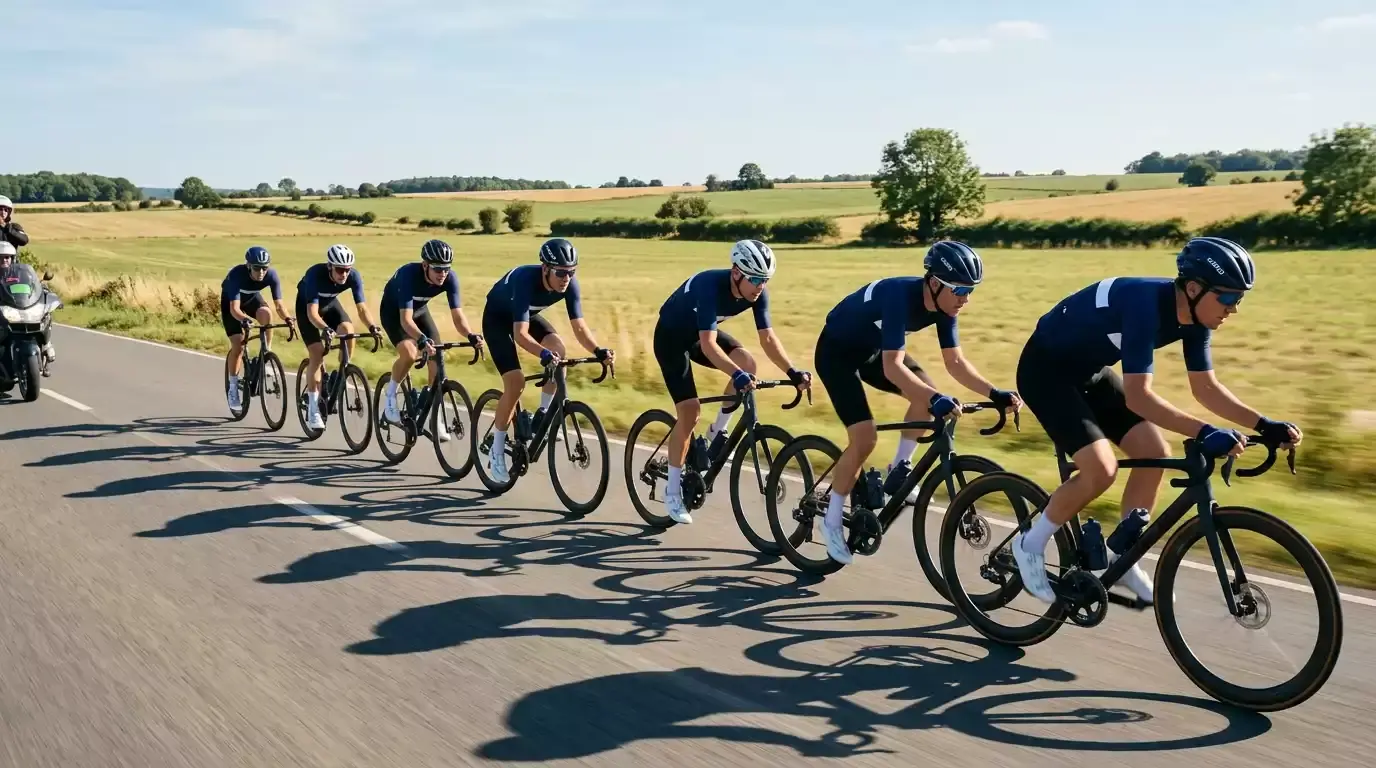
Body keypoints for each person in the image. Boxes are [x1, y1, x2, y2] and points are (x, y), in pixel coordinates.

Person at [1011, 236, 1301, 604]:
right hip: (1045, 372)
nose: (1234, 308)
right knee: (1101, 469)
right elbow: (1139, 396)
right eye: (1227, 297)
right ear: (1194, 288)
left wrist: (1264, 425)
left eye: (1239, 299)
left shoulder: (1197, 319)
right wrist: (1205, 431)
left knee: (1153, 451)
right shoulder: (1145, 306)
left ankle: (1121, 556)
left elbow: (1206, 388)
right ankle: (1030, 545)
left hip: (1091, 371)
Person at [812, 240, 1021, 565]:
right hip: (836, 354)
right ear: (935, 283)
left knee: (927, 393)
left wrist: (994, 393)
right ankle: (832, 520)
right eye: (960, 291)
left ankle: (899, 468)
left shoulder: (944, 306)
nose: (965, 300)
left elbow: (955, 362)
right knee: (865, 437)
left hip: (873, 351)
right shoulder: (900, 297)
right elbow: (892, 367)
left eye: (970, 292)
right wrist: (935, 398)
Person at [652, 239, 812, 524]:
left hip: (699, 337)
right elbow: (709, 344)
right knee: (689, 413)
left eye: (765, 280)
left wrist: (792, 372)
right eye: (755, 279)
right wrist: (734, 374)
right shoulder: (709, 287)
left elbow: (768, 338)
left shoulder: (757, 293)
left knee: (749, 363)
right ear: (736, 273)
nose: (760, 286)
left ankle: (717, 433)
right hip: (671, 340)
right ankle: (672, 491)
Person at [481, 237, 614, 482]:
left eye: (571, 272)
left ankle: (543, 413)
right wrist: (541, 354)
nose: (566, 278)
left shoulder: (570, 285)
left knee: (559, 350)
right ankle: (497, 449)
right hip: (497, 321)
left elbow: (579, 327)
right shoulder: (524, 281)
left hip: (526, 316)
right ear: (545, 268)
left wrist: (598, 351)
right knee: (516, 383)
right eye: (561, 272)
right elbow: (520, 335)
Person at [378, 238, 484, 438]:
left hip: (419, 311)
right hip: (395, 314)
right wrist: (421, 339)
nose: (442, 274)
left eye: (446, 269)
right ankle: (390, 395)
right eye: (437, 269)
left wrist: (470, 335)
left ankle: (435, 416)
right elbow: (405, 320)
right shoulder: (408, 275)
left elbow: (457, 315)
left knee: (438, 357)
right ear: (425, 265)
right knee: (410, 354)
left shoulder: (450, 278)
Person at [295, 244, 380, 430]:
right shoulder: (315, 275)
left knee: (348, 332)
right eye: (340, 270)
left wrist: (372, 326)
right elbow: (312, 314)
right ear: (330, 266)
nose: (344, 274)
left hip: (330, 304)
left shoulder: (353, 276)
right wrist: (325, 329)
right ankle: (313, 408)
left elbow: (361, 308)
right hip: (307, 309)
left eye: (347, 270)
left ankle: (340, 374)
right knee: (317, 353)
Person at [220, 245, 293, 411]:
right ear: (248, 266)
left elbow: (279, 305)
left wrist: (288, 318)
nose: (261, 272)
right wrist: (245, 319)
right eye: (257, 268)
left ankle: (265, 353)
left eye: (264, 268)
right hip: (232, 303)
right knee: (238, 345)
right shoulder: (237, 275)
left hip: (252, 298)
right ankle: (233, 388)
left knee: (267, 315)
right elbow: (234, 309)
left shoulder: (271, 276)